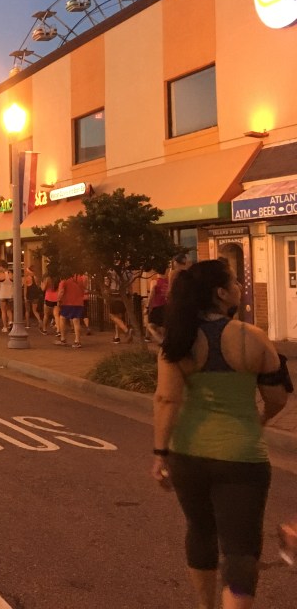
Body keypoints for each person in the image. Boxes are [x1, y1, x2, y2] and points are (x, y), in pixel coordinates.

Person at [153, 259, 290, 609]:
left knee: (200, 531)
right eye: (234, 282)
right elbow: (277, 397)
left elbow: (167, 399)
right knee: (241, 549)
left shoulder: (179, 340)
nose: (239, 287)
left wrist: (160, 453)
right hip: (242, 456)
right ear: (221, 293)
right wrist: (256, 420)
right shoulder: (253, 338)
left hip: (188, 453)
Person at [54, 273, 86, 347]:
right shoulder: (80, 278)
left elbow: (61, 291)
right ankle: (77, 341)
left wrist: (58, 300)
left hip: (68, 302)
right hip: (79, 302)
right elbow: (83, 289)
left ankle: (63, 338)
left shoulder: (65, 279)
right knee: (76, 321)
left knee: (62, 318)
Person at [147, 267, 170, 344]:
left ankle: (162, 341)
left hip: (156, 306)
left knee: (150, 326)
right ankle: (164, 342)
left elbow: (151, 295)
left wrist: (147, 306)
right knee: (162, 327)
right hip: (166, 307)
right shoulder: (168, 282)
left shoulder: (154, 282)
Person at [0, 260, 15, 332]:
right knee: (9, 310)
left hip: (2, 294)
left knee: (3, 311)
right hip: (10, 294)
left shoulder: (0, 275)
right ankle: (10, 322)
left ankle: (5, 327)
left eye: (0, 267)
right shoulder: (11, 274)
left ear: (2, 267)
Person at [41, 271, 60, 336]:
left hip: (49, 298)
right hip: (56, 298)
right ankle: (58, 330)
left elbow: (43, 289)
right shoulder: (58, 279)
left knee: (46, 315)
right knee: (56, 315)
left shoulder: (48, 279)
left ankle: (44, 329)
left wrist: (42, 284)